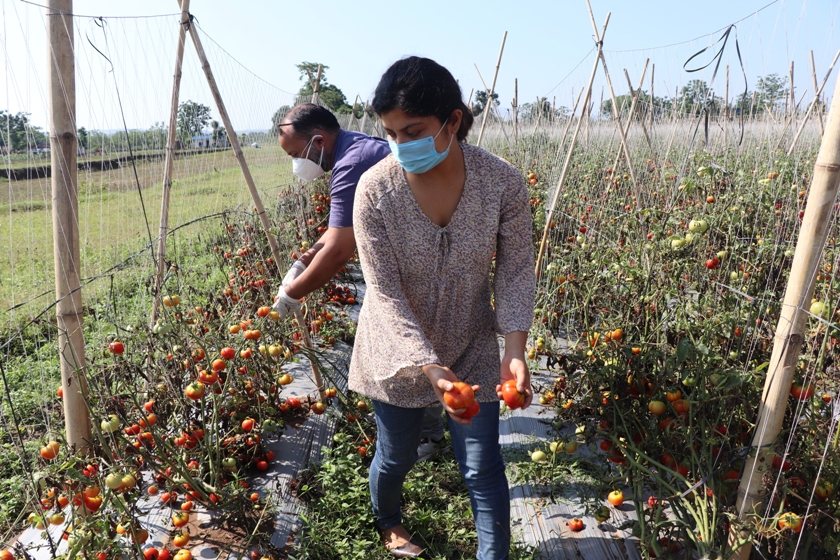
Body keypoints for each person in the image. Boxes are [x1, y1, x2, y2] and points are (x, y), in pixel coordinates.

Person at [348, 57, 535, 559]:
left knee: (482, 464)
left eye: (414, 130)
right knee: (396, 454)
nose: (401, 144)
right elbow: (383, 292)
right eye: (390, 133)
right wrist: (431, 368)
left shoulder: (501, 184)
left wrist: (514, 348)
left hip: (471, 338)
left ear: (453, 121)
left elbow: (516, 269)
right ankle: (389, 521)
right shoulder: (374, 192)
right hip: (396, 348)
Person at [271, 103, 390, 317]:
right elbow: (340, 230)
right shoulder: (353, 143)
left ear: (318, 141)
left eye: (296, 154)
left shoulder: (351, 165)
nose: (296, 163)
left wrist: (290, 294)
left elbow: (338, 249)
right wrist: (302, 263)